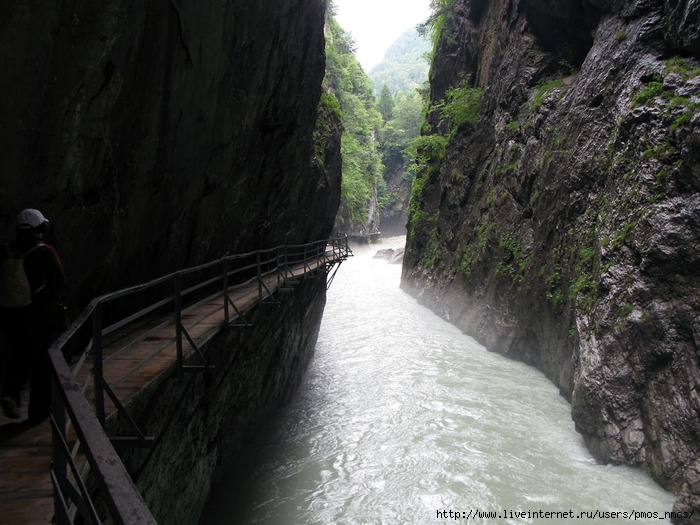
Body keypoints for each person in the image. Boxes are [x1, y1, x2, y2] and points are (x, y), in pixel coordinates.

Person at [0, 209, 67, 423]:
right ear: (42, 228)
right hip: (40, 318)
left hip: (10, 315)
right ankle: (37, 416)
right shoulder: (45, 252)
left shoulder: (6, 251)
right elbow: (60, 284)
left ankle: (10, 393)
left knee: (19, 355)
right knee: (42, 366)